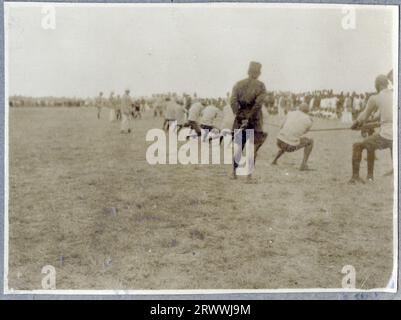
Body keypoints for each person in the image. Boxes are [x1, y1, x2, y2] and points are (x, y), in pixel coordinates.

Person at [349, 75, 393, 183]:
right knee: (372, 143)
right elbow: (379, 117)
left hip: (387, 136)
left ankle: (356, 177)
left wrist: (356, 124)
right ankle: (370, 177)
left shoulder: (375, 98)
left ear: (377, 85)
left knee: (357, 146)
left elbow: (364, 116)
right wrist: (368, 123)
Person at [231, 61, 267, 179]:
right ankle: (248, 176)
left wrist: (241, 116)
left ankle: (234, 173)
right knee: (252, 148)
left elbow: (233, 101)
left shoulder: (238, 84)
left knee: (238, 146)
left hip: (240, 119)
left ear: (248, 71)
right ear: (259, 73)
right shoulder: (261, 86)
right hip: (254, 120)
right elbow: (258, 105)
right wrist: (249, 118)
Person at [272, 103, 314, 170]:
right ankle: (303, 164)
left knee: (287, 136)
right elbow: (304, 132)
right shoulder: (309, 120)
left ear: (299, 108)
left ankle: (274, 160)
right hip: (290, 146)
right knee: (310, 141)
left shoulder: (290, 113)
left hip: (279, 141)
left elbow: (281, 126)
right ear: (307, 111)